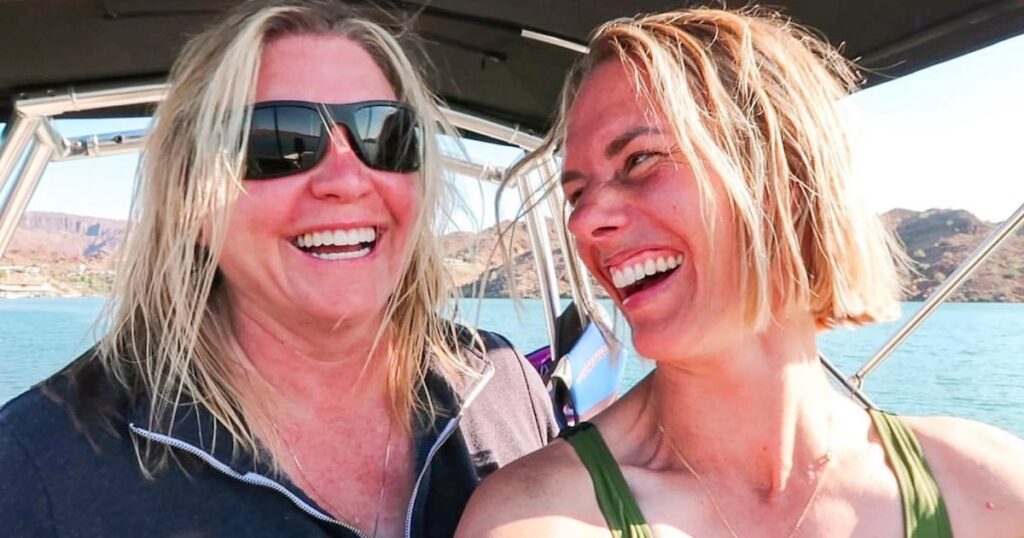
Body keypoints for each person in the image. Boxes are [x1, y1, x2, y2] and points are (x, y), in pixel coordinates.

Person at [458, 7, 1024, 538]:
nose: (582, 222)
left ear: (784, 178)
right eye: (576, 193)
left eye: (639, 160)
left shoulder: (989, 487)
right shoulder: (540, 516)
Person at [0, 1, 556, 536]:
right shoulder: (39, 467)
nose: (347, 180)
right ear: (190, 197)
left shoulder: (504, 387)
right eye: (278, 142)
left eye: (384, 136)